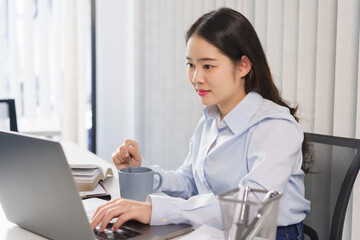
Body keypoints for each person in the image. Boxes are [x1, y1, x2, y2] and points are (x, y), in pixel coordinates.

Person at [90, 7, 311, 240]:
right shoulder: (211, 118)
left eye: (208, 66)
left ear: (243, 66)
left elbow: (251, 205)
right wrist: (141, 171)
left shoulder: (274, 127)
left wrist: (158, 210)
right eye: (191, 65)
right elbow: (190, 182)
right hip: (217, 229)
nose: (196, 78)